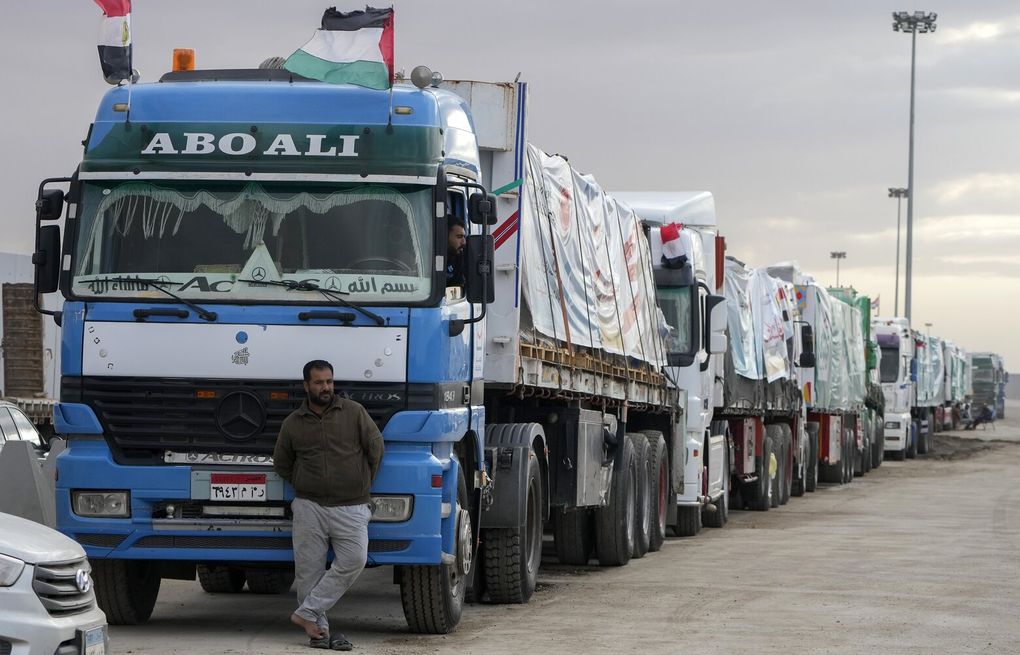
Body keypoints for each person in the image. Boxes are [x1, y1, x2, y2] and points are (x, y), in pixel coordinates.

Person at [273, 360, 384, 651]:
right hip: (309, 506)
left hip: (352, 506)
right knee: (308, 572)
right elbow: (282, 464)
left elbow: (376, 448)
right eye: (320, 382)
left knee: (355, 559)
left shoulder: (354, 412)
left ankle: (306, 613)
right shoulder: (293, 424)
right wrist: (304, 481)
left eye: (330, 382)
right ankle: (318, 633)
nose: (326, 388)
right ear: (306, 385)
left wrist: (361, 482)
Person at [446, 219, 466, 288]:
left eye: (464, 237)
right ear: (444, 236)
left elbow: (458, 286)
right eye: (459, 237)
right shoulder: (426, 256)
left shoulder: (458, 257)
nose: (464, 242)